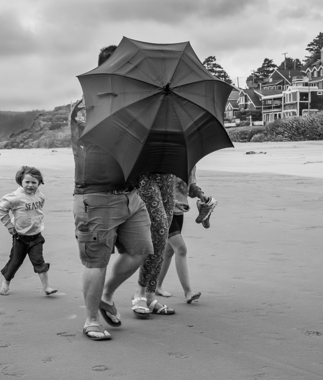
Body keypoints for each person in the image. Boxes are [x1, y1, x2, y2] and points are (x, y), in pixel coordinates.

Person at [71, 45, 154, 341]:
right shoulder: (87, 105)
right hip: (96, 197)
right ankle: (91, 319)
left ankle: (106, 295)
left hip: (130, 195)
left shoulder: (133, 106)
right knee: (96, 261)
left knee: (142, 249)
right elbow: (103, 137)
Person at [156, 167, 217, 303]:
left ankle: (156, 285)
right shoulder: (166, 162)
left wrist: (201, 196)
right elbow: (155, 187)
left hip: (179, 211)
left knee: (169, 250)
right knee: (181, 249)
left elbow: (190, 189)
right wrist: (172, 202)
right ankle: (188, 292)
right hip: (163, 210)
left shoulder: (190, 163)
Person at [0, 166, 57, 297]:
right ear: (20, 182)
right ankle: (6, 282)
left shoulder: (40, 195)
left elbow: (38, 210)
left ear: (39, 183)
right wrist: (9, 226)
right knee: (15, 262)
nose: (30, 185)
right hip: (20, 237)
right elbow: (1, 208)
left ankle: (47, 287)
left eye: (34, 182)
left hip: (36, 237)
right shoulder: (15, 197)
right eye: (27, 182)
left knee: (39, 261)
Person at [131, 172, 176, 318]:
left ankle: (150, 295)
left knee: (162, 241)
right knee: (160, 233)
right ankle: (140, 292)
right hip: (146, 176)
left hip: (169, 176)